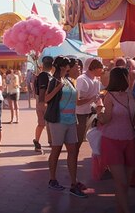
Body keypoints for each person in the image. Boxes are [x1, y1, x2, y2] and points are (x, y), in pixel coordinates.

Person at [97, 67, 135, 213]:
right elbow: (107, 119)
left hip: (129, 141)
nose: (131, 80)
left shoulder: (130, 96)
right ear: (123, 78)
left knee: (125, 183)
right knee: (121, 181)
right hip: (112, 141)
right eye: (128, 77)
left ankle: (120, 209)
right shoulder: (109, 96)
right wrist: (99, 111)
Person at [45, 56, 87, 198]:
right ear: (63, 67)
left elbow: (75, 101)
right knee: (56, 150)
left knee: (73, 151)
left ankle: (74, 183)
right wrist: (58, 88)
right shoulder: (55, 80)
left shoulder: (69, 80)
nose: (71, 67)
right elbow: (46, 98)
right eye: (69, 65)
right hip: (58, 120)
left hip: (70, 120)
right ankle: (52, 179)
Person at [75, 58, 102, 158]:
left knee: (83, 137)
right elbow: (78, 102)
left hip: (90, 112)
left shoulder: (95, 79)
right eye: (100, 68)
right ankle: (74, 156)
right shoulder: (83, 80)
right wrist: (92, 99)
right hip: (81, 113)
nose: (102, 70)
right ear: (93, 68)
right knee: (79, 137)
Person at [33, 56, 53, 153]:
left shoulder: (44, 75)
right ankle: (38, 141)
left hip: (43, 103)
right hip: (44, 103)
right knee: (43, 124)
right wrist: (42, 102)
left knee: (43, 124)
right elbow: (42, 89)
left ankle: (38, 141)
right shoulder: (44, 75)